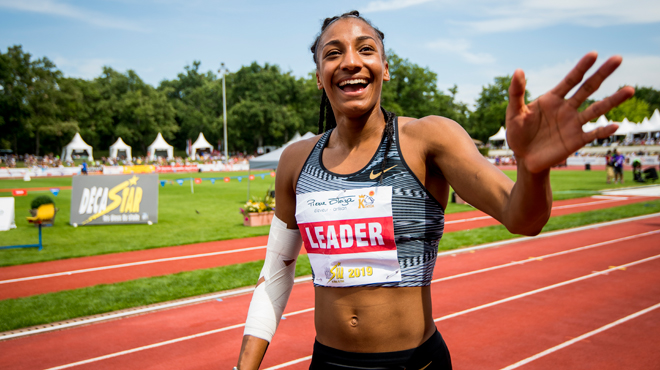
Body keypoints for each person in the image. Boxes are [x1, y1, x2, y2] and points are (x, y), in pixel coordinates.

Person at [236, 11, 633, 369]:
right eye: (333, 53)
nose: (351, 62)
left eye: (366, 49)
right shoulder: (296, 161)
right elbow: (274, 276)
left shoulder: (427, 138)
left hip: (413, 363)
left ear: (385, 68)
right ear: (319, 76)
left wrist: (533, 170)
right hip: (328, 364)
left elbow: (522, 218)